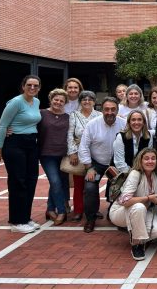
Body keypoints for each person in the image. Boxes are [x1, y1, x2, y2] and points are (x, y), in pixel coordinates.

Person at [0, 75, 42, 233]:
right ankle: (16, 221)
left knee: (31, 181)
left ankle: (25, 218)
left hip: (31, 144)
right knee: (18, 182)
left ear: (39, 88)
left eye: (36, 85)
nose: (32, 88)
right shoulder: (15, 102)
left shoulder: (36, 102)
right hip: (15, 144)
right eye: (29, 85)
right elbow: (2, 126)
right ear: (23, 86)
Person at [109, 148, 157, 261]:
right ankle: (137, 244)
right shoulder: (135, 174)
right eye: (146, 159)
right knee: (139, 206)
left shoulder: (154, 174)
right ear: (140, 161)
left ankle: (135, 232)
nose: (150, 161)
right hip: (120, 211)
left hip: (142, 211)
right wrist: (148, 198)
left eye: (153, 158)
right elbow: (124, 201)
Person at [78, 97, 126, 233]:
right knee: (90, 187)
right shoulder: (92, 124)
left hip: (115, 163)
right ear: (101, 110)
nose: (109, 112)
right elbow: (84, 147)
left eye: (113, 109)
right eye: (106, 109)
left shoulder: (124, 123)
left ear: (117, 110)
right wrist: (89, 168)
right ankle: (91, 218)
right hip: (96, 163)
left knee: (120, 187)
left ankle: (114, 214)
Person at [66, 90, 101, 222]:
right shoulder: (74, 115)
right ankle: (78, 210)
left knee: (94, 182)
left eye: (90, 99)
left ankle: (94, 209)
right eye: (84, 99)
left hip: (96, 153)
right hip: (79, 153)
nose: (87, 102)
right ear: (80, 101)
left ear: (94, 101)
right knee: (79, 184)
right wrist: (72, 153)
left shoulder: (99, 115)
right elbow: (70, 135)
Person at [39, 88, 70, 226]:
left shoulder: (68, 117)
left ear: (65, 103)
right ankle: (62, 211)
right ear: (51, 99)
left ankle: (50, 209)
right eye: (56, 99)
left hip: (63, 155)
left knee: (57, 183)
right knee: (55, 182)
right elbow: (27, 124)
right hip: (46, 154)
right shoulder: (42, 114)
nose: (58, 102)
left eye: (61, 101)